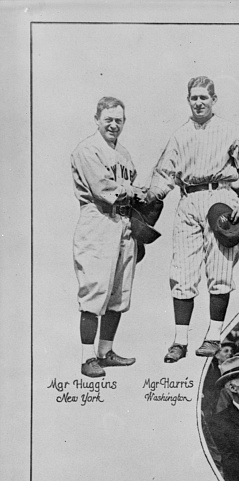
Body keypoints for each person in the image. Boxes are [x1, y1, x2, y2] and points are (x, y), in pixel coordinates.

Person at [147, 76, 239, 362]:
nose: (199, 102)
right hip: (188, 199)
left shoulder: (231, 131)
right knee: (182, 271)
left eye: (204, 98)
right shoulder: (179, 135)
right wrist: (148, 195)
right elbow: (164, 176)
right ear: (188, 100)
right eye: (194, 98)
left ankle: (213, 336)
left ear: (213, 99)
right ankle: (180, 340)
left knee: (220, 269)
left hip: (220, 198)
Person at [71, 96, 146, 378]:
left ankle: (106, 351)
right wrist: (135, 191)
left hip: (123, 222)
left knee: (119, 292)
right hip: (98, 221)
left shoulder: (124, 153)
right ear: (97, 120)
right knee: (94, 290)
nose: (114, 124)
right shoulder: (87, 149)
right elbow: (104, 189)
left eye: (119, 120)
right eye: (108, 120)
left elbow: (130, 185)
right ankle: (86, 357)